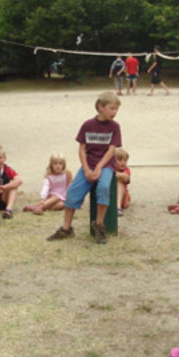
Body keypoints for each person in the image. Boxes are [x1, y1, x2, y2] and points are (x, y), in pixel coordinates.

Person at [47, 92, 122, 244]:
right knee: (73, 192)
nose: (114, 112)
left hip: (106, 165)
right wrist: (87, 169)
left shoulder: (115, 127)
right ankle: (66, 228)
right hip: (89, 164)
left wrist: (99, 168)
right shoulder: (87, 125)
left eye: (116, 109)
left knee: (103, 188)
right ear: (100, 107)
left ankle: (99, 224)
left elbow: (111, 150)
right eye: (111, 108)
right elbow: (82, 149)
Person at [114, 147, 131, 216]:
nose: (123, 162)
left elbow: (126, 178)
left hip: (122, 196)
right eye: (120, 160)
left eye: (125, 160)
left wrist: (117, 175)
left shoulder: (126, 170)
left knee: (119, 181)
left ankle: (118, 207)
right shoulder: (110, 169)